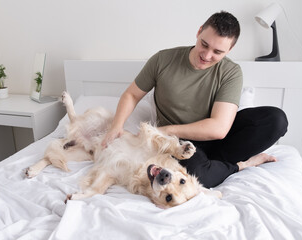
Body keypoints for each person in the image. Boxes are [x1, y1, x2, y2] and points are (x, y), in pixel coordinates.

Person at [101, 11, 288, 188]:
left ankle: (215, 164)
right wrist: (116, 126)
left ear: (230, 49)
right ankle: (242, 165)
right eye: (204, 44)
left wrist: (164, 130)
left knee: (276, 120)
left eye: (217, 52)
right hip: (181, 143)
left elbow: (220, 128)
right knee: (199, 177)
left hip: (218, 139)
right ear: (199, 32)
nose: (206, 56)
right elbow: (132, 95)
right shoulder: (162, 60)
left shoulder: (231, 72)